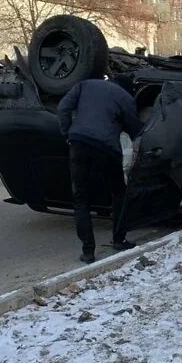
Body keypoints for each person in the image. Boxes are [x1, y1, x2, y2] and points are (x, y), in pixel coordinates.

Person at [57, 76, 143, 264]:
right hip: (107, 149)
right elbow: (136, 130)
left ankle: (88, 252)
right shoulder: (126, 98)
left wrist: (67, 133)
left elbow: (63, 108)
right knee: (118, 193)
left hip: (79, 143)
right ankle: (119, 239)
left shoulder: (85, 84)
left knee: (81, 199)